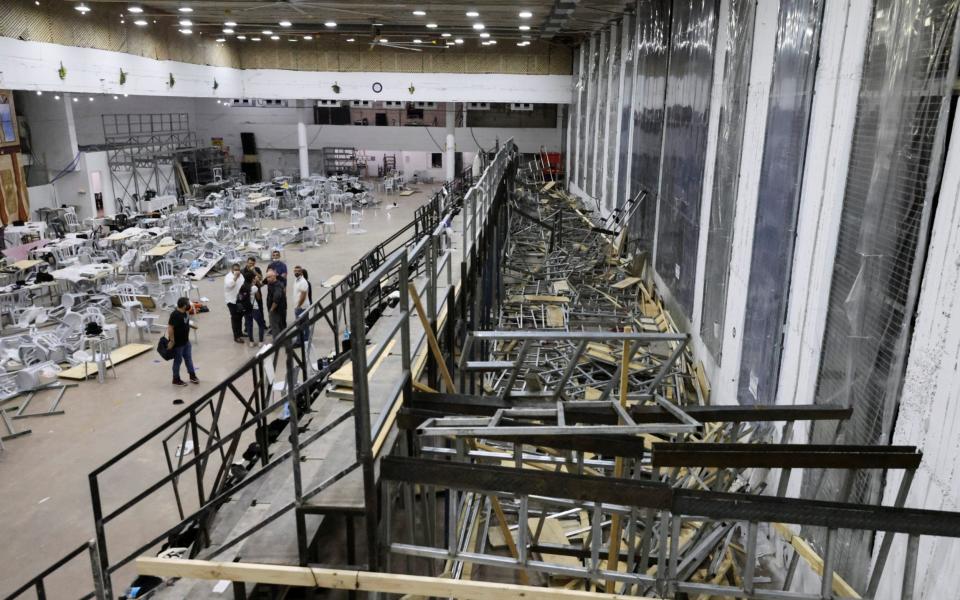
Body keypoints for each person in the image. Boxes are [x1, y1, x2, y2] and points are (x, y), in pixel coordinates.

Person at [167, 297, 198, 386]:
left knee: (188, 359)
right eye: (188, 304)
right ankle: (176, 379)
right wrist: (172, 341)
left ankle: (192, 376)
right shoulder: (175, 315)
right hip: (178, 344)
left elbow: (185, 322)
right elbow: (170, 328)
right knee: (178, 361)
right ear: (184, 306)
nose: (190, 305)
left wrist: (192, 326)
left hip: (186, 342)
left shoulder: (185, 312)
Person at [244, 271, 267, 347]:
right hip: (254, 308)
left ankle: (251, 342)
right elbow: (258, 298)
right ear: (252, 279)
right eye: (254, 277)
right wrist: (256, 286)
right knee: (261, 324)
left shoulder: (243, 286)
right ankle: (260, 342)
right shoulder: (254, 287)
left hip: (246, 309)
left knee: (249, 325)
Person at [224, 262, 244, 343]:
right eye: (235, 270)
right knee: (235, 318)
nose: (237, 271)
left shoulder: (241, 275)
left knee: (240, 317)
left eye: (238, 270)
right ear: (232, 270)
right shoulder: (228, 277)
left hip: (240, 300)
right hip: (231, 301)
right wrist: (235, 277)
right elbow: (230, 285)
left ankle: (240, 332)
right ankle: (236, 336)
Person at [293, 265, 313, 344]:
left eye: (298, 271)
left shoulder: (303, 282)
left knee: (299, 324)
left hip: (302, 307)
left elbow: (303, 296)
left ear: (301, 272)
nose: (296, 272)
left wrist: (298, 306)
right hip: (300, 306)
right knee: (304, 323)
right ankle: (305, 339)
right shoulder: (296, 280)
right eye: (295, 271)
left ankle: (299, 341)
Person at [266, 268, 287, 338]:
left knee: (276, 327)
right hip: (278, 309)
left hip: (277, 310)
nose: (267, 279)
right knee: (280, 326)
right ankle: (282, 341)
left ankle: (277, 343)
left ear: (274, 276)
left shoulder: (277, 285)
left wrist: (271, 310)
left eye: (269, 277)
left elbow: (276, 299)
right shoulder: (270, 284)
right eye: (267, 277)